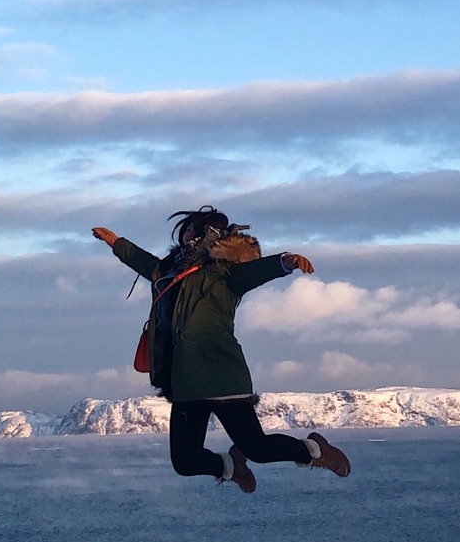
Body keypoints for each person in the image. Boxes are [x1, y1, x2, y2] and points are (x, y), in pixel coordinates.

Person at [92, 207, 351, 492]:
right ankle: (230, 467)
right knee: (185, 461)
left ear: (210, 234)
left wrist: (284, 262)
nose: (187, 232)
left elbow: (255, 272)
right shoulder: (167, 270)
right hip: (184, 381)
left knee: (257, 448)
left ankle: (314, 450)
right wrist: (116, 242)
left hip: (221, 375)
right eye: (187, 228)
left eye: (194, 228)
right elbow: (143, 261)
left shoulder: (224, 273)